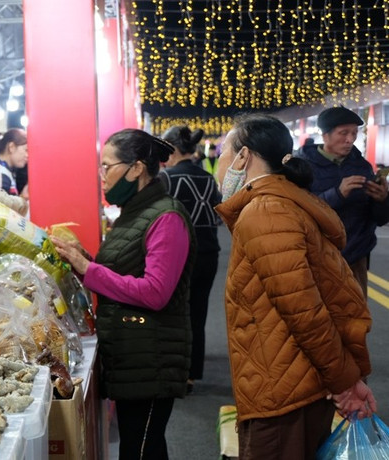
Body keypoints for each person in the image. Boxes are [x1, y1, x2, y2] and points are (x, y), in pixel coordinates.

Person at [215, 114, 376, 459]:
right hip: (290, 381)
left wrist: (344, 383)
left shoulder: (265, 212)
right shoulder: (278, 204)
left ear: (243, 157)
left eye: (223, 153)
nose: (220, 163)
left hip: (284, 393)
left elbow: (306, 313)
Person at [51, 129, 195, 460]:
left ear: (136, 168)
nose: (102, 177)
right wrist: (83, 260)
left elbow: (156, 291)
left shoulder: (167, 217)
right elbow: (126, 271)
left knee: (140, 450)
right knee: (142, 448)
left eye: (107, 167)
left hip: (153, 357)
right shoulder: (134, 212)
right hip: (133, 355)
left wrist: (89, 271)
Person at [294, 106, 389, 296]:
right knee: (318, 319)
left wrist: (383, 200)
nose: (350, 139)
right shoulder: (302, 167)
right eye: (343, 133)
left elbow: (379, 218)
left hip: (356, 257)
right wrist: (337, 194)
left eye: (354, 133)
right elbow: (297, 211)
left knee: (355, 319)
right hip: (316, 257)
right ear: (325, 135)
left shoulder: (362, 167)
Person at [160, 125, 222, 394]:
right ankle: (192, 373)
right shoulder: (208, 179)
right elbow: (218, 215)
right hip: (209, 253)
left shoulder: (166, 179)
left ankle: (177, 372)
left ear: (172, 149)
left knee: (176, 314)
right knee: (198, 313)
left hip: (179, 254)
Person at [0, 128, 28, 196]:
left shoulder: (3, 171)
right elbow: (0, 205)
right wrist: (22, 198)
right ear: (11, 147)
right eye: (26, 150)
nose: (27, 155)